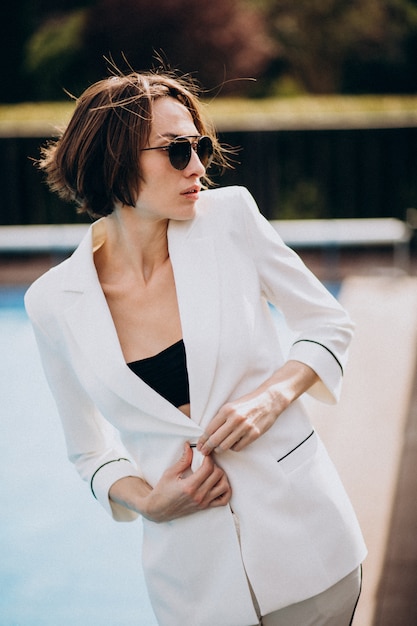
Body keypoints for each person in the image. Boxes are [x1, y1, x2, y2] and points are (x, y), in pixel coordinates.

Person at [25, 69, 366, 626]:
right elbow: (88, 451)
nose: (200, 167)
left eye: (201, 146)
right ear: (113, 160)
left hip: (309, 546)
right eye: (178, 151)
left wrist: (268, 399)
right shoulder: (52, 302)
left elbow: (328, 324)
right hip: (192, 585)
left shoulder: (232, 217)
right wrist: (149, 503)